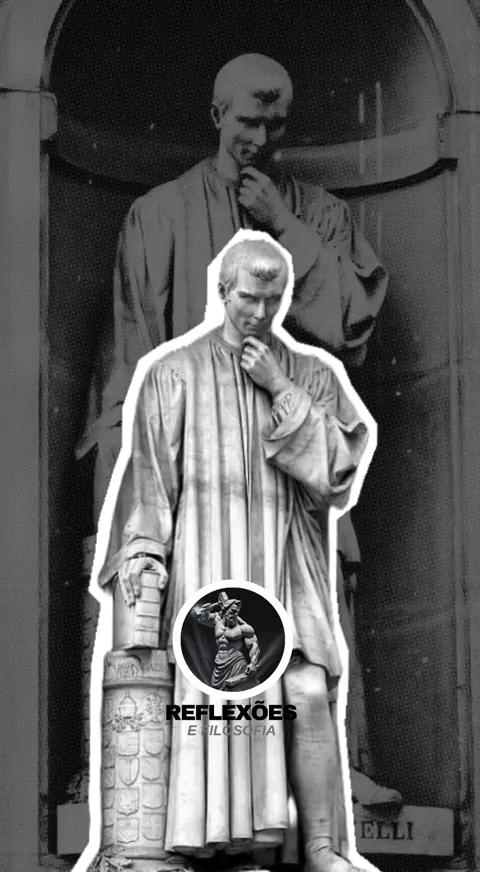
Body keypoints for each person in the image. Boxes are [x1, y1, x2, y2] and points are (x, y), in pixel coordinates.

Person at [78, 53, 398, 810]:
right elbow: (134, 355)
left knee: (310, 620)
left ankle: (331, 775)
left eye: (277, 124)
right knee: (190, 613)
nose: (262, 138)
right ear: (218, 116)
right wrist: (123, 478)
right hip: (197, 461)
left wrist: (283, 225)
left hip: (290, 452)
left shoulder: (318, 214)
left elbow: (350, 328)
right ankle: (166, 780)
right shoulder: (160, 214)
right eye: (250, 121)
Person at [96, 235, 371, 872]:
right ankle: (212, 846)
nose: (260, 312)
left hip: (285, 565)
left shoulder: (312, 375)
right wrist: (144, 555)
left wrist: (279, 386)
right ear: (222, 291)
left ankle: (322, 847)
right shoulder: (174, 373)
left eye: (274, 300)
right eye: (249, 298)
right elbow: (151, 484)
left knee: (306, 689)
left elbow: (336, 472)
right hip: (203, 569)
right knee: (212, 696)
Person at [193, 593, 260, 691]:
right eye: (233, 611)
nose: (235, 615)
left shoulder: (243, 628)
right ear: (225, 610)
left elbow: (254, 644)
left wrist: (253, 663)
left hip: (236, 663)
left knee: (234, 690)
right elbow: (199, 616)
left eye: (237, 612)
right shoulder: (217, 619)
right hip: (219, 664)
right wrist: (207, 609)